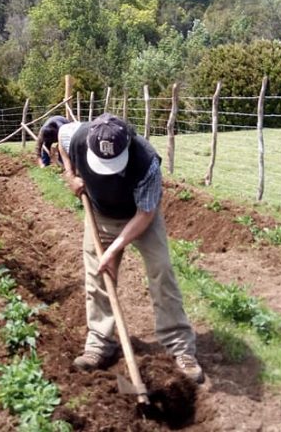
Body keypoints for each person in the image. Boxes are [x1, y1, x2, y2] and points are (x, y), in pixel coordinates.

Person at [60, 113, 204, 383]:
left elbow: (145, 215)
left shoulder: (146, 160)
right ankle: (101, 342)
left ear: (127, 146)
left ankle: (179, 346)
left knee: (161, 270)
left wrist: (114, 248)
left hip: (140, 217)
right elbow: (59, 140)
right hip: (101, 216)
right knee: (98, 277)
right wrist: (70, 176)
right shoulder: (76, 136)